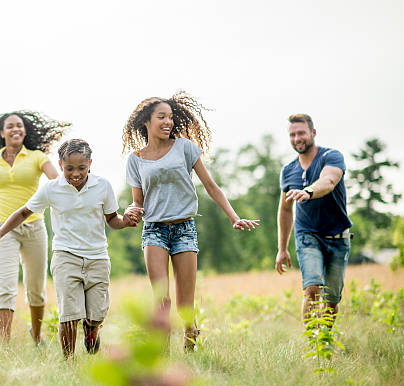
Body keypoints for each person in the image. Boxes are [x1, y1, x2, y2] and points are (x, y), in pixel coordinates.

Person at [123, 91, 259, 352]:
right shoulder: (135, 159)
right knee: (161, 298)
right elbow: (137, 202)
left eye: (170, 117)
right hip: (154, 231)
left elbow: (210, 185)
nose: (168, 122)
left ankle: (191, 346)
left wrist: (234, 217)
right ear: (146, 122)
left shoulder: (184, 147)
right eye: (161, 117)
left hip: (185, 229)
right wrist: (131, 210)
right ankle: (162, 356)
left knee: (185, 306)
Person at [0, 139, 143, 358]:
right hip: (65, 255)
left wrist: (126, 221)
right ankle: (68, 363)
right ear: (60, 165)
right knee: (69, 314)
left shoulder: (103, 186)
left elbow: (112, 219)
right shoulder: (51, 189)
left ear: (90, 163)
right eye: (69, 168)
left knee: (97, 312)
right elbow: (23, 213)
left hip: (97, 256)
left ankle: (92, 329)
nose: (75, 174)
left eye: (81, 168)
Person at [0, 110, 70, 344]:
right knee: (5, 286)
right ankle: (4, 346)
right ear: (2, 132)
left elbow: (55, 179)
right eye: (10, 126)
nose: (16, 129)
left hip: (34, 227)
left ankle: (36, 337)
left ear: (25, 131)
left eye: (19, 125)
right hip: (1, 228)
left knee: (36, 289)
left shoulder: (37, 157)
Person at [276, 113, 352, 322]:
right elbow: (284, 209)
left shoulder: (331, 157)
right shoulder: (288, 171)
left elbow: (328, 181)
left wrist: (308, 191)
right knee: (312, 290)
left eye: (301, 133)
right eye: (292, 134)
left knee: (331, 300)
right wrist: (282, 249)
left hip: (338, 236)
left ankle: (324, 344)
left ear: (313, 133)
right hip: (308, 235)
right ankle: (313, 346)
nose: (297, 138)